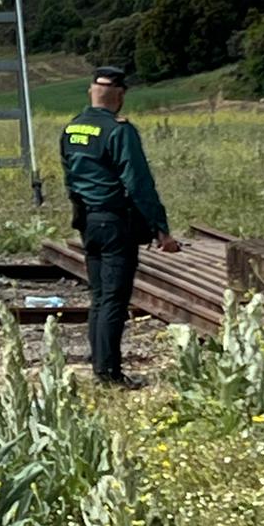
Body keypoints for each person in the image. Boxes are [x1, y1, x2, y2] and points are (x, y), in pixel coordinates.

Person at [59, 66, 181, 388]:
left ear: (90, 92)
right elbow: (138, 182)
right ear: (121, 94)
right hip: (115, 222)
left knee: (99, 297)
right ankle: (109, 375)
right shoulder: (119, 130)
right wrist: (161, 229)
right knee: (114, 299)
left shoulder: (72, 128)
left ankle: (100, 365)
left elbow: (70, 176)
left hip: (87, 221)